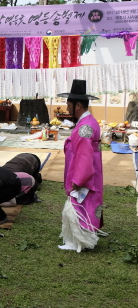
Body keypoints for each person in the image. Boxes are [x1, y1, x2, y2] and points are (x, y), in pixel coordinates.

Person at [56, 79, 104, 252]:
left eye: (69, 105)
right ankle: (78, 240)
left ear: (78, 105)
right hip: (89, 171)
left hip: (85, 174)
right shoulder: (88, 122)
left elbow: (85, 156)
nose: (67, 108)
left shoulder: (85, 127)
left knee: (82, 205)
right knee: (86, 204)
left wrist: (78, 180)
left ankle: (78, 242)